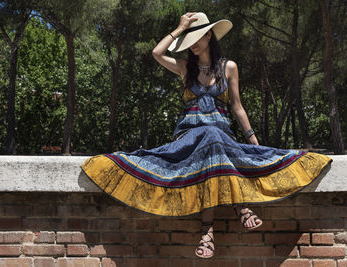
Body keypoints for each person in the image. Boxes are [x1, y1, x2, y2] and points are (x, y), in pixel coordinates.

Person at [81, 12, 332, 259]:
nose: (192, 46)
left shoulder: (229, 67)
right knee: (209, 139)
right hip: (189, 137)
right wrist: (179, 29)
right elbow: (157, 53)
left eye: (196, 38)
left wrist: (254, 141)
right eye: (187, 42)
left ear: (209, 35)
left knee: (214, 143)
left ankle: (207, 232)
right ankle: (240, 206)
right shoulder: (183, 68)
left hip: (221, 138)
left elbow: (237, 106)